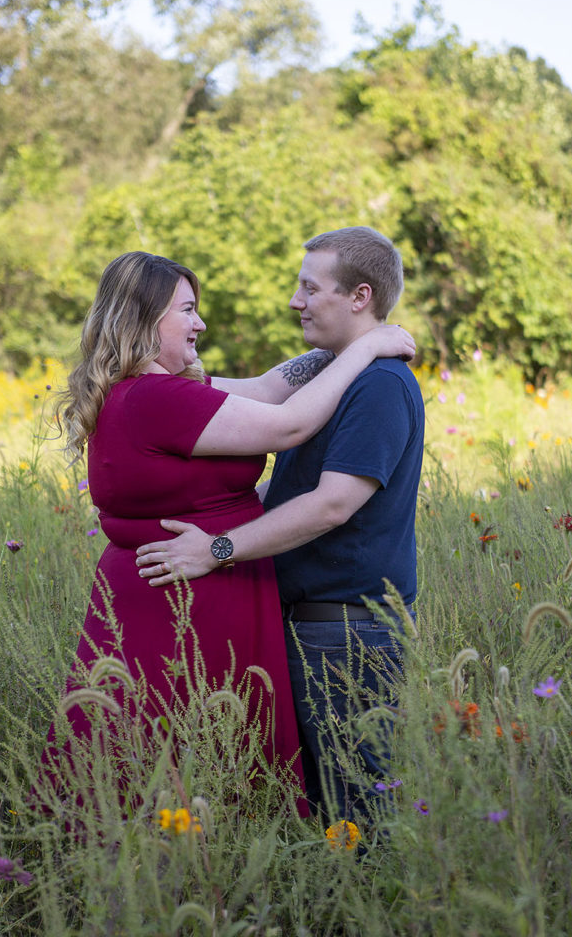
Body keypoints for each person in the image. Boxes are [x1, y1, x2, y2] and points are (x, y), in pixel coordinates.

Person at [44, 248, 415, 813]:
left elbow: (268, 389)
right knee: (171, 761)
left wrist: (342, 344)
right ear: (144, 320)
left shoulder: (157, 390)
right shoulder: (157, 397)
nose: (201, 323)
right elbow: (288, 421)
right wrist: (365, 345)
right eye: (187, 310)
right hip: (182, 600)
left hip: (203, 593)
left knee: (197, 766)